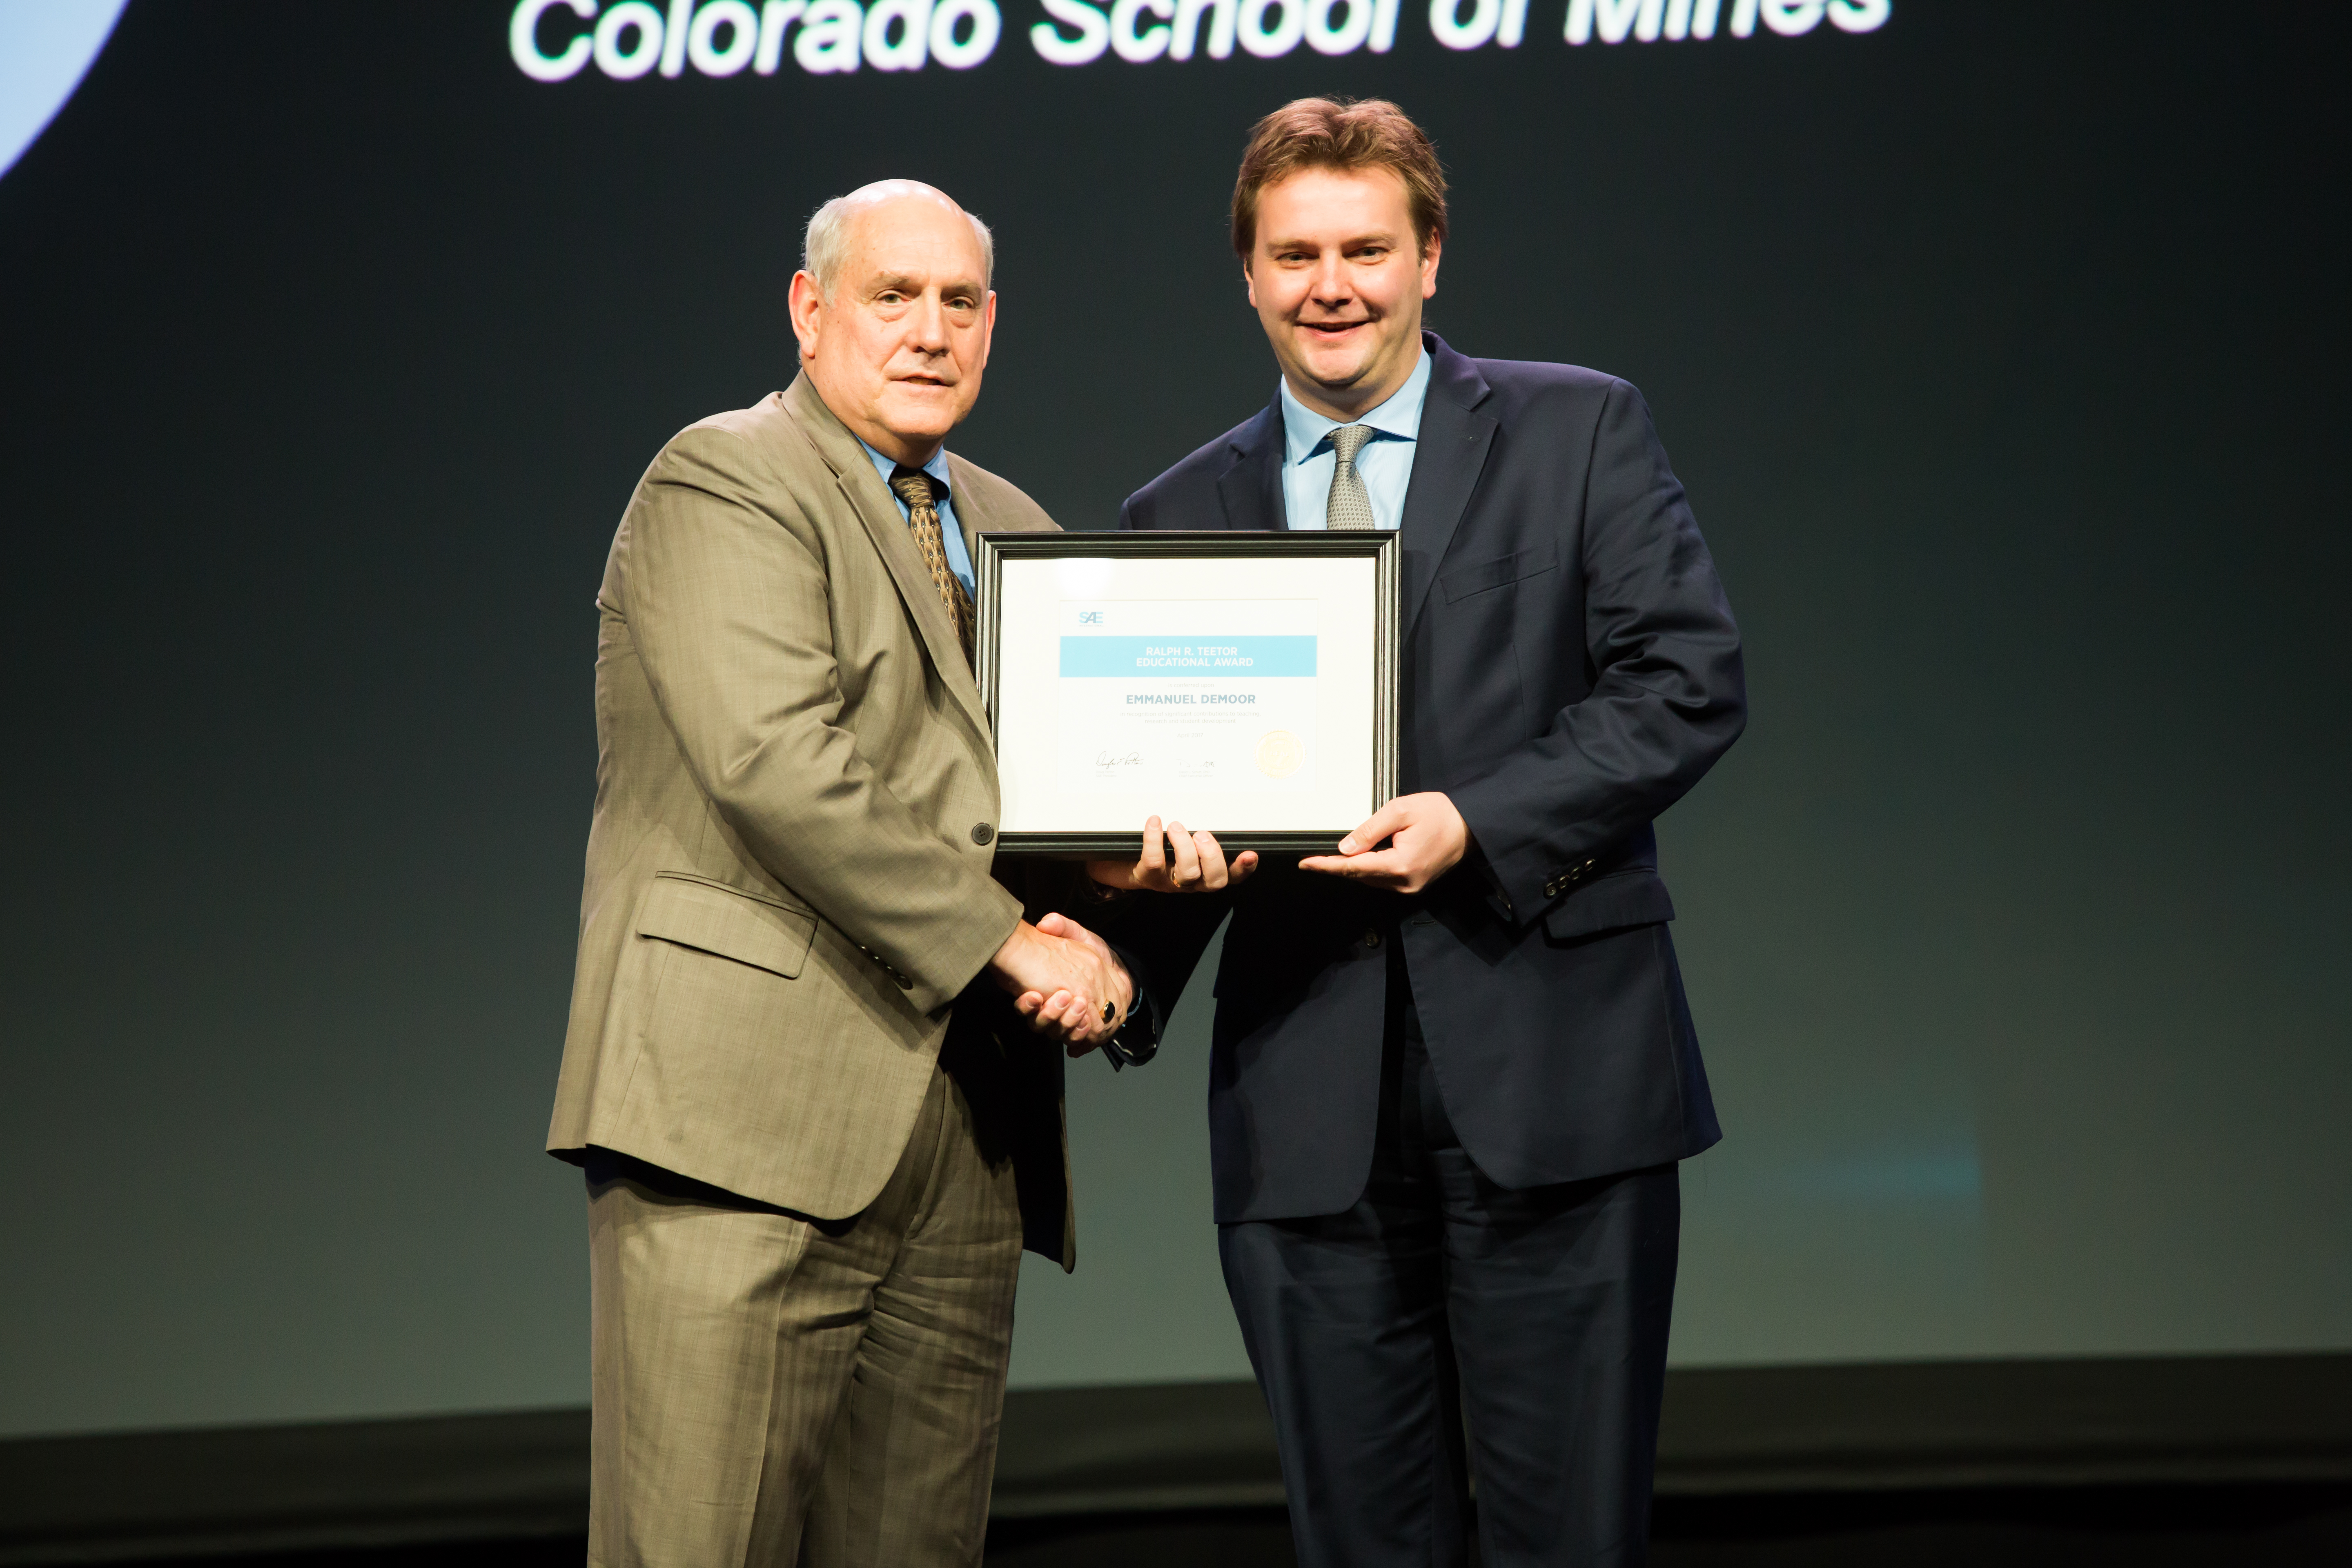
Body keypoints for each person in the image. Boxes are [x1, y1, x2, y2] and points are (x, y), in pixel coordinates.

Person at [1100, 100, 1748, 1566]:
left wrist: (1479, 817)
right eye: (1296, 255)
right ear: (1250, 277)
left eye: (1367, 249)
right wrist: (1112, 953)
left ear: (1431, 256)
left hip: (1556, 1074)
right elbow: (1180, 800)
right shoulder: (1178, 511)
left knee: (1569, 1541)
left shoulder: (1579, 425)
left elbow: (1686, 683)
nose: (1333, 285)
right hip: (1303, 1114)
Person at [545, 179, 1137, 1568]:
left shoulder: (1017, 527)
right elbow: (779, 764)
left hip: (961, 1149)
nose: (930, 332)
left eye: (960, 304)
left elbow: (1049, 793)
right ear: (811, 313)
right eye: (893, 297)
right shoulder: (724, 474)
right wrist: (1015, 945)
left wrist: (1120, 890)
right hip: (739, 1130)